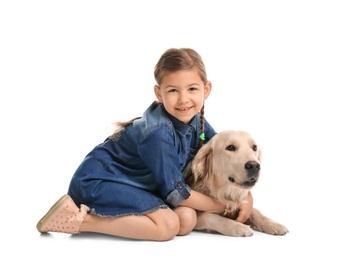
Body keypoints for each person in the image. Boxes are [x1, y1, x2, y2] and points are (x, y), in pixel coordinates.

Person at [36, 47, 253, 241]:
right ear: (159, 94)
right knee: (168, 227)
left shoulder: (197, 122)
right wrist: (224, 206)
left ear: (206, 90)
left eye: (192, 89)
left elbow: (220, 155)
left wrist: (246, 196)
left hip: (138, 186)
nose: (184, 99)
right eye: (173, 90)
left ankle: (131, 218)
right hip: (99, 183)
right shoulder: (158, 134)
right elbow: (176, 193)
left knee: (186, 219)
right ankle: (76, 220)